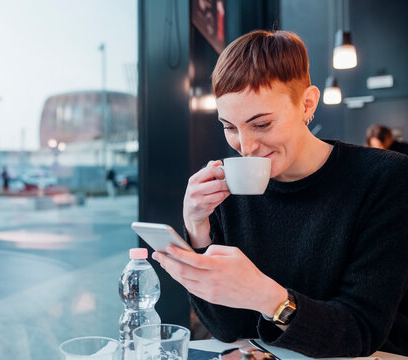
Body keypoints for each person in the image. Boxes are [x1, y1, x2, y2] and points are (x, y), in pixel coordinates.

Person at [152, 30, 408, 357]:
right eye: (230, 127)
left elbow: (361, 332)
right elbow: (226, 329)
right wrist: (198, 230)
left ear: (307, 104)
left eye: (261, 124)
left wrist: (266, 297)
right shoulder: (231, 190)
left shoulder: (385, 179)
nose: (246, 147)